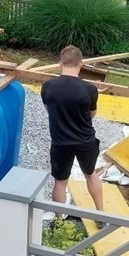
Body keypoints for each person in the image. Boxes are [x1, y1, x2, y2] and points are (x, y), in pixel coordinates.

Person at [40, 45, 105, 214]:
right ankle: (101, 214)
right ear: (81, 64)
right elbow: (92, 114)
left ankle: (59, 220)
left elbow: (50, 111)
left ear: (60, 63)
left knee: (60, 182)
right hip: (85, 142)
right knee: (90, 175)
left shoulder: (47, 86)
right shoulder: (90, 89)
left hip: (61, 143)